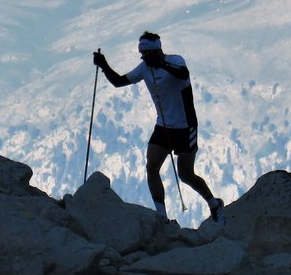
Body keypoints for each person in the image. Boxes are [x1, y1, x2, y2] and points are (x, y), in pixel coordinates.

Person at [93, 32, 225, 222]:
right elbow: (119, 82)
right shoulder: (145, 68)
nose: (142, 57)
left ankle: (214, 203)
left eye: (145, 54)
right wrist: (104, 64)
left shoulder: (176, 61)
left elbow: (183, 74)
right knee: (152, 167)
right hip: (163, 126)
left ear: (156, 51)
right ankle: (162, 217)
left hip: (185, 127)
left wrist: (161, 63)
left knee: (186, 175)